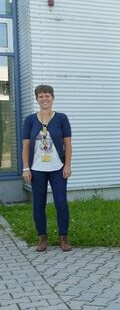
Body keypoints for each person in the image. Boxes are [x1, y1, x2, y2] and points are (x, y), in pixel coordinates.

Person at [22, 85, 73, 252]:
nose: (44, 99)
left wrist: (67, 165)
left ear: (53, 97)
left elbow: (68, 144)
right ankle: (42, 237)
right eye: (41, 96)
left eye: (47, 96)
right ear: (37, 99)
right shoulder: (30, 120)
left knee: (61, 203)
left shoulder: (61, 118)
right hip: (37, 169)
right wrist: (26, 168)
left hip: (57, 168)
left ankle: (63, 237)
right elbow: (25, 146)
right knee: (38, 204)